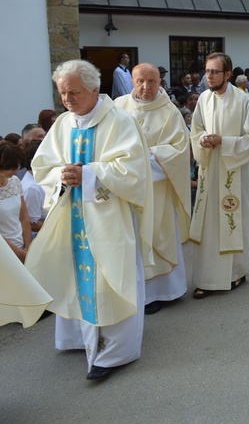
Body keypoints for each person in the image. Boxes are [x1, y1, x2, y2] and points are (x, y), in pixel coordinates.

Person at [25, 59, 153, 381]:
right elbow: (43, 168)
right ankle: (77, 338)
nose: (67, 99)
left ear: (94, 90)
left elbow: (134, 171)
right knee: (72, 274)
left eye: (74, 92)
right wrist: (63, 176)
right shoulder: (64, 124)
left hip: (109, 217)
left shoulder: (119, 122)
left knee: (110, 279)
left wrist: (90, 174)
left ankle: (115, 351)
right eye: (63, 93)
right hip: (73, 216)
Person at [115, 64, 192, 313]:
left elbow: (180, 150)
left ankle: (163, 291)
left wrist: (145, 159)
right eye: (140, 81)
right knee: (133, 237)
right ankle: (135, 291)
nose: (146, 87)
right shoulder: (118, 107)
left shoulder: (170, 112)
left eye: (151, 81)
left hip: (157, 188)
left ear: (160, 82)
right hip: (127, 187)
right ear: (132, 81)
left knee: (159, 234)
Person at [189, 53, 249, 298]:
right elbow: (196, 129)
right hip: (211, 170)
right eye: (207, 71)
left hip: (235, 172)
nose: (208, 76)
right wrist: (203, 140)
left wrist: (224, 142)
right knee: (210, 225)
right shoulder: (203, 100)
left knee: (233, 221)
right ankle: (207, 278)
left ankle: (235, 273)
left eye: (214, 72)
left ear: (227, 74)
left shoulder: (243, 101)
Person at [0, 141, 31, 262]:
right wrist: (18, 252)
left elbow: (24, 216)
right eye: (10, 167)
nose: (14, 170)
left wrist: (28, 245)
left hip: (21, 244)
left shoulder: (15, 181)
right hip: (5, 251)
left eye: (16, 166)